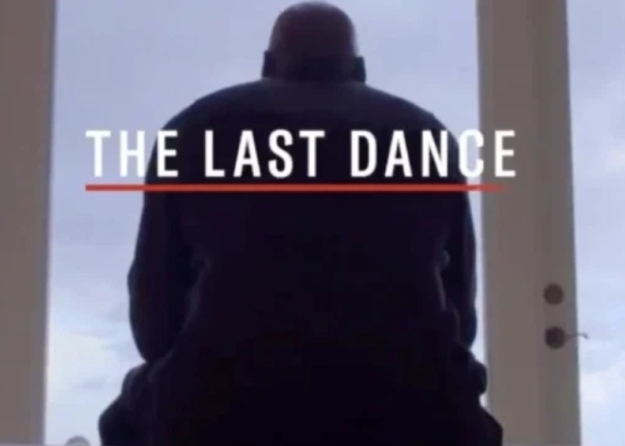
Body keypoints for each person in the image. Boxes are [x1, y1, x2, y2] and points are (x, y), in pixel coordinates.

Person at [126, 2, 501, 445]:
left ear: (268, 65)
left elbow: (154, 323)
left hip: (221, 412)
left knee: (138, 408)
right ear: (359, 70)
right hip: (414, 411)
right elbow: (461, 314)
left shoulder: (191, 131)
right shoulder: (427, 136)